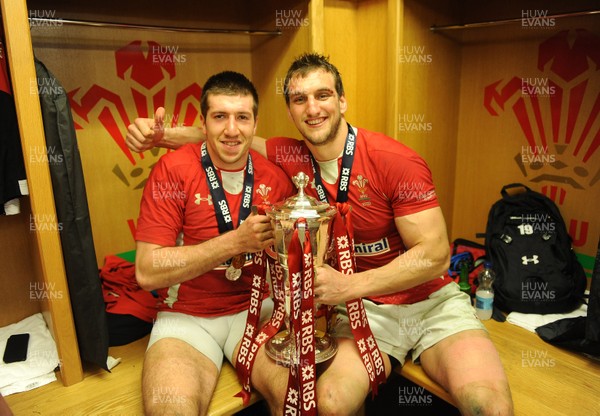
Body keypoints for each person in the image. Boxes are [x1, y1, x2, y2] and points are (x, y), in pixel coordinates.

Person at [128, 55, 514, 415]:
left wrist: (349, 286)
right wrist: (159, 136)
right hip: (361, 311)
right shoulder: (290, 158)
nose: (312, 108)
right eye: (299, 99)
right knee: (328, 403)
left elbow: (434, 255)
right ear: (290, 110)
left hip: (425, 301)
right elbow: (228, 136)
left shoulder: (393, 159)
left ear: (342, 101)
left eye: (323, 95)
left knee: (485, 403)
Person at [134, 71, 294, 415]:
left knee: (297, 398)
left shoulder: (276, 177)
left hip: (256, 310)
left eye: (242, 117)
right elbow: (147, 271)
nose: (232, 130)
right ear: (203, 122)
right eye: (220, 116)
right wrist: (234, 242)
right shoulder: (172, 171)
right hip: (186, 317)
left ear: (255, 123)